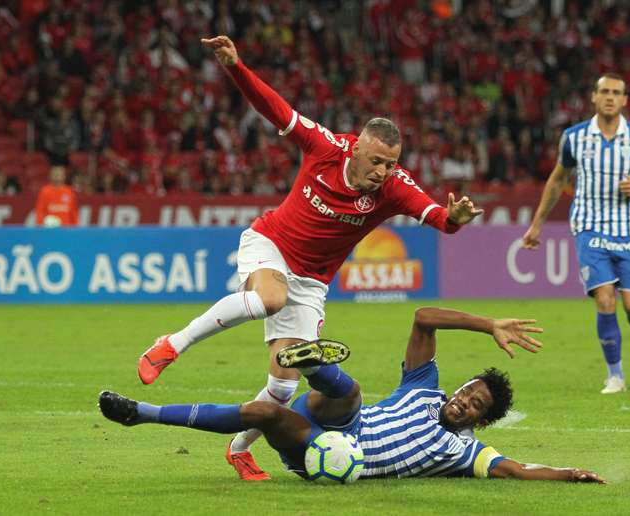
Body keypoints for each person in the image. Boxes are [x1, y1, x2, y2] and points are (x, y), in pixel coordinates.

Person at [135, 35, 482, 480]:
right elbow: (274, 108)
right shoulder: (324, 147)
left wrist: (454, 218)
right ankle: (172, 343)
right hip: (270, 243)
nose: (382, 172)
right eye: (376, 160)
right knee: (269, 299)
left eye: (390, 164)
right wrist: (235, 68)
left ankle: (239, 450)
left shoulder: (395, 187)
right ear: (356, 146)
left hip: (312, 282)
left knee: (283, 381)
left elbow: (437, 216)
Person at [101, 306, 605, 484]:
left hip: (321, 455)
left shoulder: (467, 452)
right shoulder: (425, 389)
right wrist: (488, 323)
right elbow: (424, 317)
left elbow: (518, 470)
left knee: (260, 412)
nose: (464, 403)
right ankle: (312, 363)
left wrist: (569, 473)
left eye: (475, 407)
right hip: (342, 420)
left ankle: (140, 414)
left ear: (482, 421)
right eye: (467, 391)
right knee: (352, 393)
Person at [522, 73, 630, 394]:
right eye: (605, 92)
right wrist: (537, 224)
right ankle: (616, 375)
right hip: (589, 227)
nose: (610, 97)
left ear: (626, 100)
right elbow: (557, 180)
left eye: (617, 92)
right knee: (604, 298)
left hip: (627, 230)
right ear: (594, 97)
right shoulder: (574, 137)